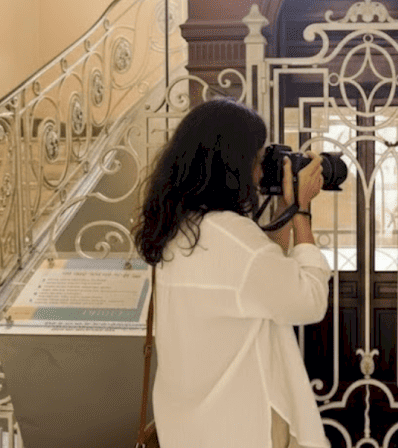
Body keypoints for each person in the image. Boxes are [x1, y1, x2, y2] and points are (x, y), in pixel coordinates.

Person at [134, 97, 331, 448]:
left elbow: (260, 275)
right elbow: (309, 301)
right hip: (244, 425)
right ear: (234, 165)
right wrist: (301, 212)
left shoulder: (177, 233)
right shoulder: (235, 242)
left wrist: (286, 206)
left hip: (187, 428)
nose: (259, 174)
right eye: (256, 161)